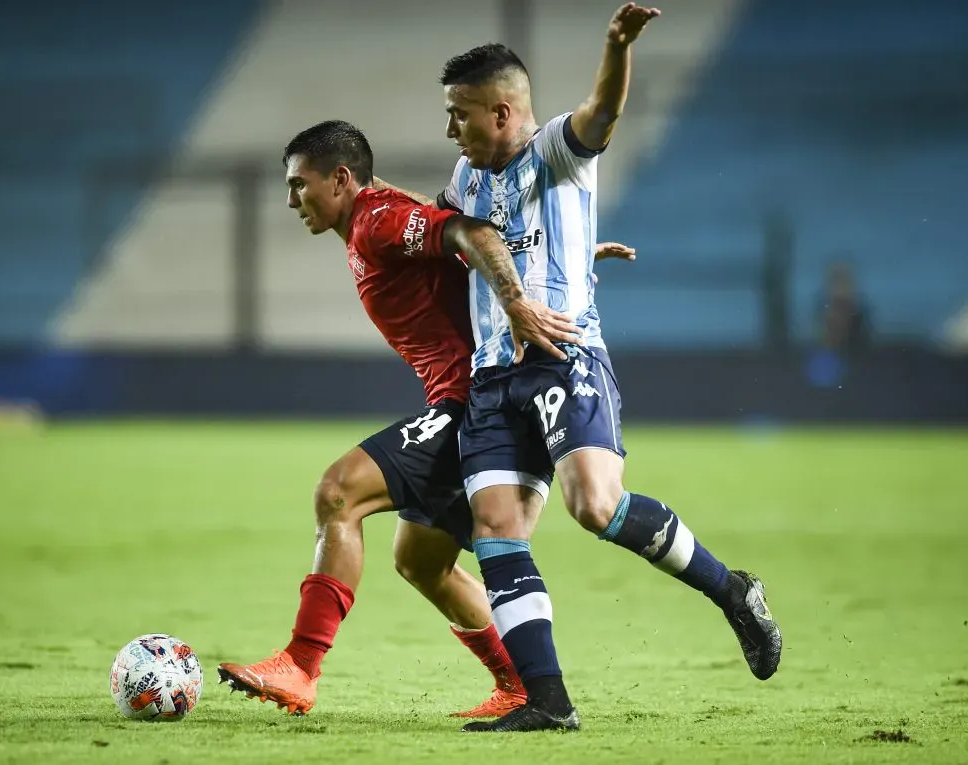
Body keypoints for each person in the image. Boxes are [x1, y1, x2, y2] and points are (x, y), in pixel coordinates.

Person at [382, 4, 782, 732]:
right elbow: (476, 247)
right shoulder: (465, 181)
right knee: (496, 523)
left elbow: (601, 113)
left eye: (460, 116)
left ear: (503, 112)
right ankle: (548, 699)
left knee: (595, 505)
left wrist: (617, 45)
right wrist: (567, 255)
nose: (452, 131)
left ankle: (732, 591)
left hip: (564, 359)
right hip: (493, 380)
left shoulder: (556, 154)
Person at [216, 120, 630, 718]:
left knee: (338, 493)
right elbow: (461, 247)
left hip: (470, 403)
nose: (291, 200)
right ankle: (521, 683)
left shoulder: (376, 220)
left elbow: (470, 230)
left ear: (339, 179)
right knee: (420, 560)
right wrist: (557, 257)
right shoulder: (382, 217)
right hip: (476, 400)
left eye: (298, 184)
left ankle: (301, 665)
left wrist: (517, 298)